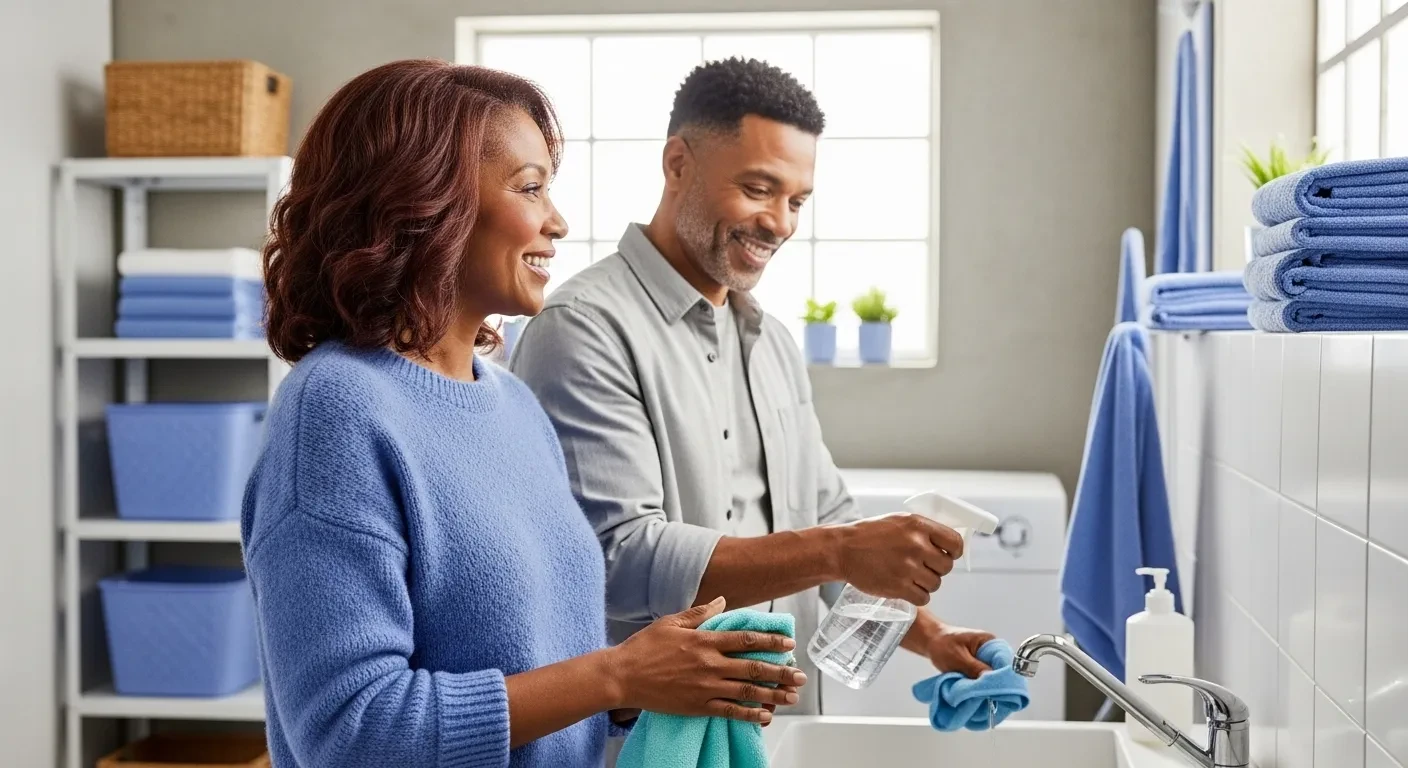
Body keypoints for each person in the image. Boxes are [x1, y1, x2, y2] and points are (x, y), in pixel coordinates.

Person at [242, 59, 805, 768]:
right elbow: (352, 731)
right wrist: (617, 674)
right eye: (530, 188)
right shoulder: (335, 415)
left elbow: (532, 660)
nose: (557, 221)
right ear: (421, 202)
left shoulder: (510, 403)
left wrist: (661, 680)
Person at [510, 57, 996, 716]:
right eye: (759, 188)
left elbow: (825, 522)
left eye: (797, 201)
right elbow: (615, 556)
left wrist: (932, 638)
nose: (781, 223)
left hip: (776, 730)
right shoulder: (585, 328)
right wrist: (843, 549)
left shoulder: (772, 344)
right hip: (653, 740)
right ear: (677, 163)